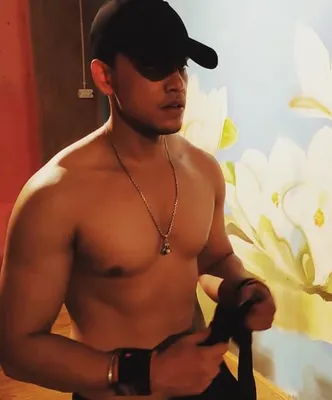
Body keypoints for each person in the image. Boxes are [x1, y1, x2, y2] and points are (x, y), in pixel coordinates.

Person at [0, 0, 276, 399]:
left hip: (203, 380)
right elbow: (17, 348)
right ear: (105, 76)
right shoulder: (55, 194)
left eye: (180, 65)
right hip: (117, 389)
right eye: (154, 66)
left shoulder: (203, 170)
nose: (176, 83)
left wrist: (242, 286)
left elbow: (214, 258)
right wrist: (146, 372)